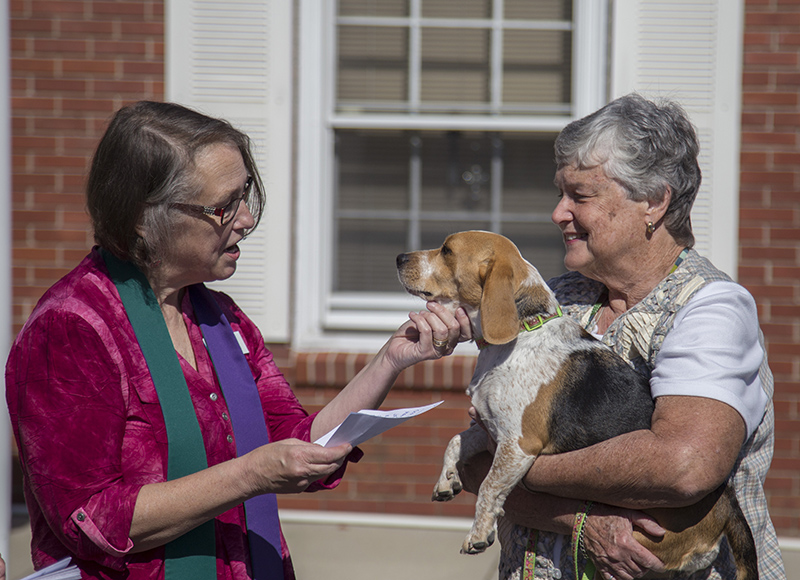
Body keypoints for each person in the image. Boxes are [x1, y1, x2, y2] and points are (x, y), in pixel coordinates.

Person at [5, 101, 471, 580]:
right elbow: (89, 520)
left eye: (245, 194)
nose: (246, 219)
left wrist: (390, 360)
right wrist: (250, 475)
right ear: (144, 215)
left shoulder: (219, 318)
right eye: (223, 206)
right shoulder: (72, 328)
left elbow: (293, 442)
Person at [459, 94, 785, 580]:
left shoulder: (709, 308)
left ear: (653, 201)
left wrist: (518, 459)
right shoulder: (552, 302)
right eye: (559, 193)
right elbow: (472, 467)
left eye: (580, 196)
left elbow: (682, 465)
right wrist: (579, 520)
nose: (558, 213)